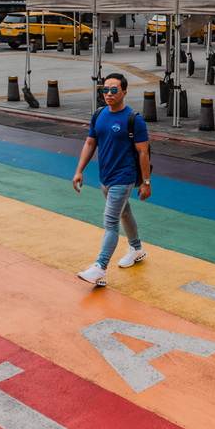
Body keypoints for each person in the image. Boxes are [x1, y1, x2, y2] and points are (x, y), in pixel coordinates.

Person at [72, 73, 152, 287]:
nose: (108, 93)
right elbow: (90, 144)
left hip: (123, 178)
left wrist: (146, 182)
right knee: (124, 212)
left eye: (114, 90)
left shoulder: (134, 119)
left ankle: (100, 268)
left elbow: (143, 153)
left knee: (110, 221)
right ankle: (136, 248)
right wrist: (79, 170)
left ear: (124, 92)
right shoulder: (99, 115)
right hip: (105, 177)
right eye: (105, 89)